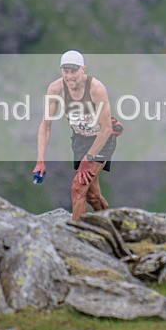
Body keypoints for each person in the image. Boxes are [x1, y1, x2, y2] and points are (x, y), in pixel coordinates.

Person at [33, 50, 117, 222]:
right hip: (80, 141)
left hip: (102, 140)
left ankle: (77, 236)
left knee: (78, 188)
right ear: (61, 70)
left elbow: (107, 129)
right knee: (92, 196)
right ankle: (115, 226)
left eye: (74, 71)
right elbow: (45, 126)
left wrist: (88, 159)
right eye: (66, 71)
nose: (70, 76)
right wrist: (40, 160)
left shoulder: (96, 89)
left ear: (83, 69)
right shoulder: (56, 89)